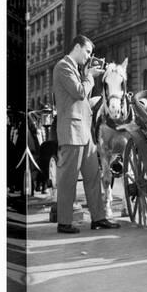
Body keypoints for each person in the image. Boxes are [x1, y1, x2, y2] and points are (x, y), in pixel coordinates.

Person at [53, 35, 120, 233]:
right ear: (77, 47)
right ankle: (64, 222)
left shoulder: (75, 69)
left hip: (84, 131)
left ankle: (98, 218)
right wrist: (90, 75)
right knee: (68, 179)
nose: (89, 56)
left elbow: (80, 97)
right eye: (88, 51)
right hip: (72, 131)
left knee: (93, 176)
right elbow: (80, 92)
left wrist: (88, 76)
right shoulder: (63, 66)